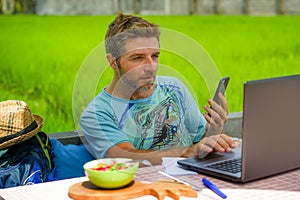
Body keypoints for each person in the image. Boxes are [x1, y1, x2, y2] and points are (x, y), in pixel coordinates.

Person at [80, 13, 237, 165]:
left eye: (154, 56)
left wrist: (215, 130)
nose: (151, 67)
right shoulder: (97, 113)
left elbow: (200, 140)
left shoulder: (174, 88)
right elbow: (124, 157)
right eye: (137, 58)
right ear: (113, 62)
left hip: (195, 179)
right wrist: (188, 152)